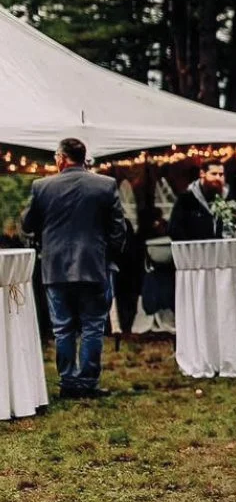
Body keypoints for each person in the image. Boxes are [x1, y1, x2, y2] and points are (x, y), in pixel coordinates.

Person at [21, 138, 128, 399]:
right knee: (93, 326)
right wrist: (107, 256)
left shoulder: (42, 186)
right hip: (94, 266)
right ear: (83, 158)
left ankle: (68, 381)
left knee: (63, 327)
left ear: (61, 158)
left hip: (56, 267)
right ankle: (87, 383)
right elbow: (119, 229)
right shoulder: (105, 185)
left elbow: (27, 224)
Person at [168, 160, 229, 240]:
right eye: (213, 174)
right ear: (202, 174)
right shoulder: (186, 199)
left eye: (221, 174)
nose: (218, 178)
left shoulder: (227, 198)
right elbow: (174, 229)